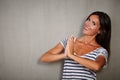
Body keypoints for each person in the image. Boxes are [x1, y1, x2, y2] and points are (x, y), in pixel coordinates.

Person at [40, 11, 111, 80]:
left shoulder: (101, 50)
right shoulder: (69, 42)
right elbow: (44, 58)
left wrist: (72, 55)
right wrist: (65, 55)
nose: (87, 24)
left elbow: (97, 66)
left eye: (93, 23)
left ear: (100, 31)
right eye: (88, 20)